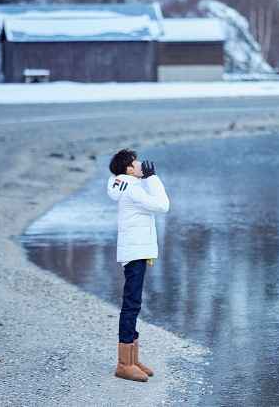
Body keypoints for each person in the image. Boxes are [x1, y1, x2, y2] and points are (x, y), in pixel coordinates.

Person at [106, 148, 170, 382]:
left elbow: (116, 180)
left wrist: (144, 179)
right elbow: (163, 206)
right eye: (135, 162)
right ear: (128, 169)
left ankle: (132, 359)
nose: (141, 164)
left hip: (135, 250)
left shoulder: (124, 186)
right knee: (131, 303)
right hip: (135, 251)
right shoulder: (133, 190)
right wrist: (153, 178)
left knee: (134, 302)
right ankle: (124, 363)